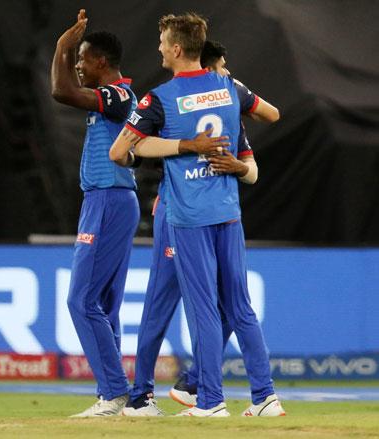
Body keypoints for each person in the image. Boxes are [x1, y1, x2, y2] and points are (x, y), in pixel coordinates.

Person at [109, 13, 283, 417]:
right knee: (240, 308)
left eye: (160, 42)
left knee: (201, 308)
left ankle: (209, 401)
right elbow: (269, 114)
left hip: (187, 216)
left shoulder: (160, 98)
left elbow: (120, 153)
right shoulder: (228, 86)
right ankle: (266, 397)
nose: (157, 49)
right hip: (229, 212)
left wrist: (183, 145)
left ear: (175, 49)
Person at [50, 9, 139, 417]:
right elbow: (70, 88)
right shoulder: (108, 100)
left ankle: (113, 392)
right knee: (102, 304)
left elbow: (61, 91)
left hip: (109, 200)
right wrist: (69, 51)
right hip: (108, 201)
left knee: (81, 300)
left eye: (84, 60)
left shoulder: (119, 95)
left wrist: (61, 46)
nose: (79, 68)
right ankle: (117, 395)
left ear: (101, 61)